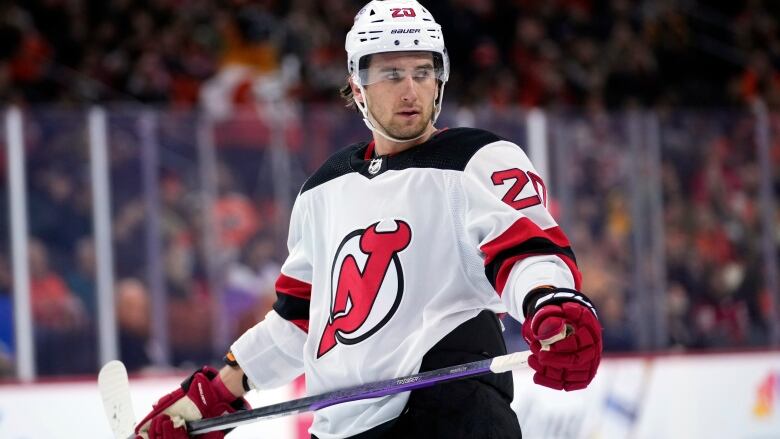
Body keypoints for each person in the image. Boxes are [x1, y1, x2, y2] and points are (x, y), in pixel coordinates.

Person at [134, 1, 602, 438]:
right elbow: (301, 319)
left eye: (423, 72)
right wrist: (214, 394)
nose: (410, 89)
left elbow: (526, 251)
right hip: (340, 429)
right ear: (358, 85)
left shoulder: (476, 158)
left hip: (449, 415)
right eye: (392, 73)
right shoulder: (323, 188)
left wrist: (550, 304)